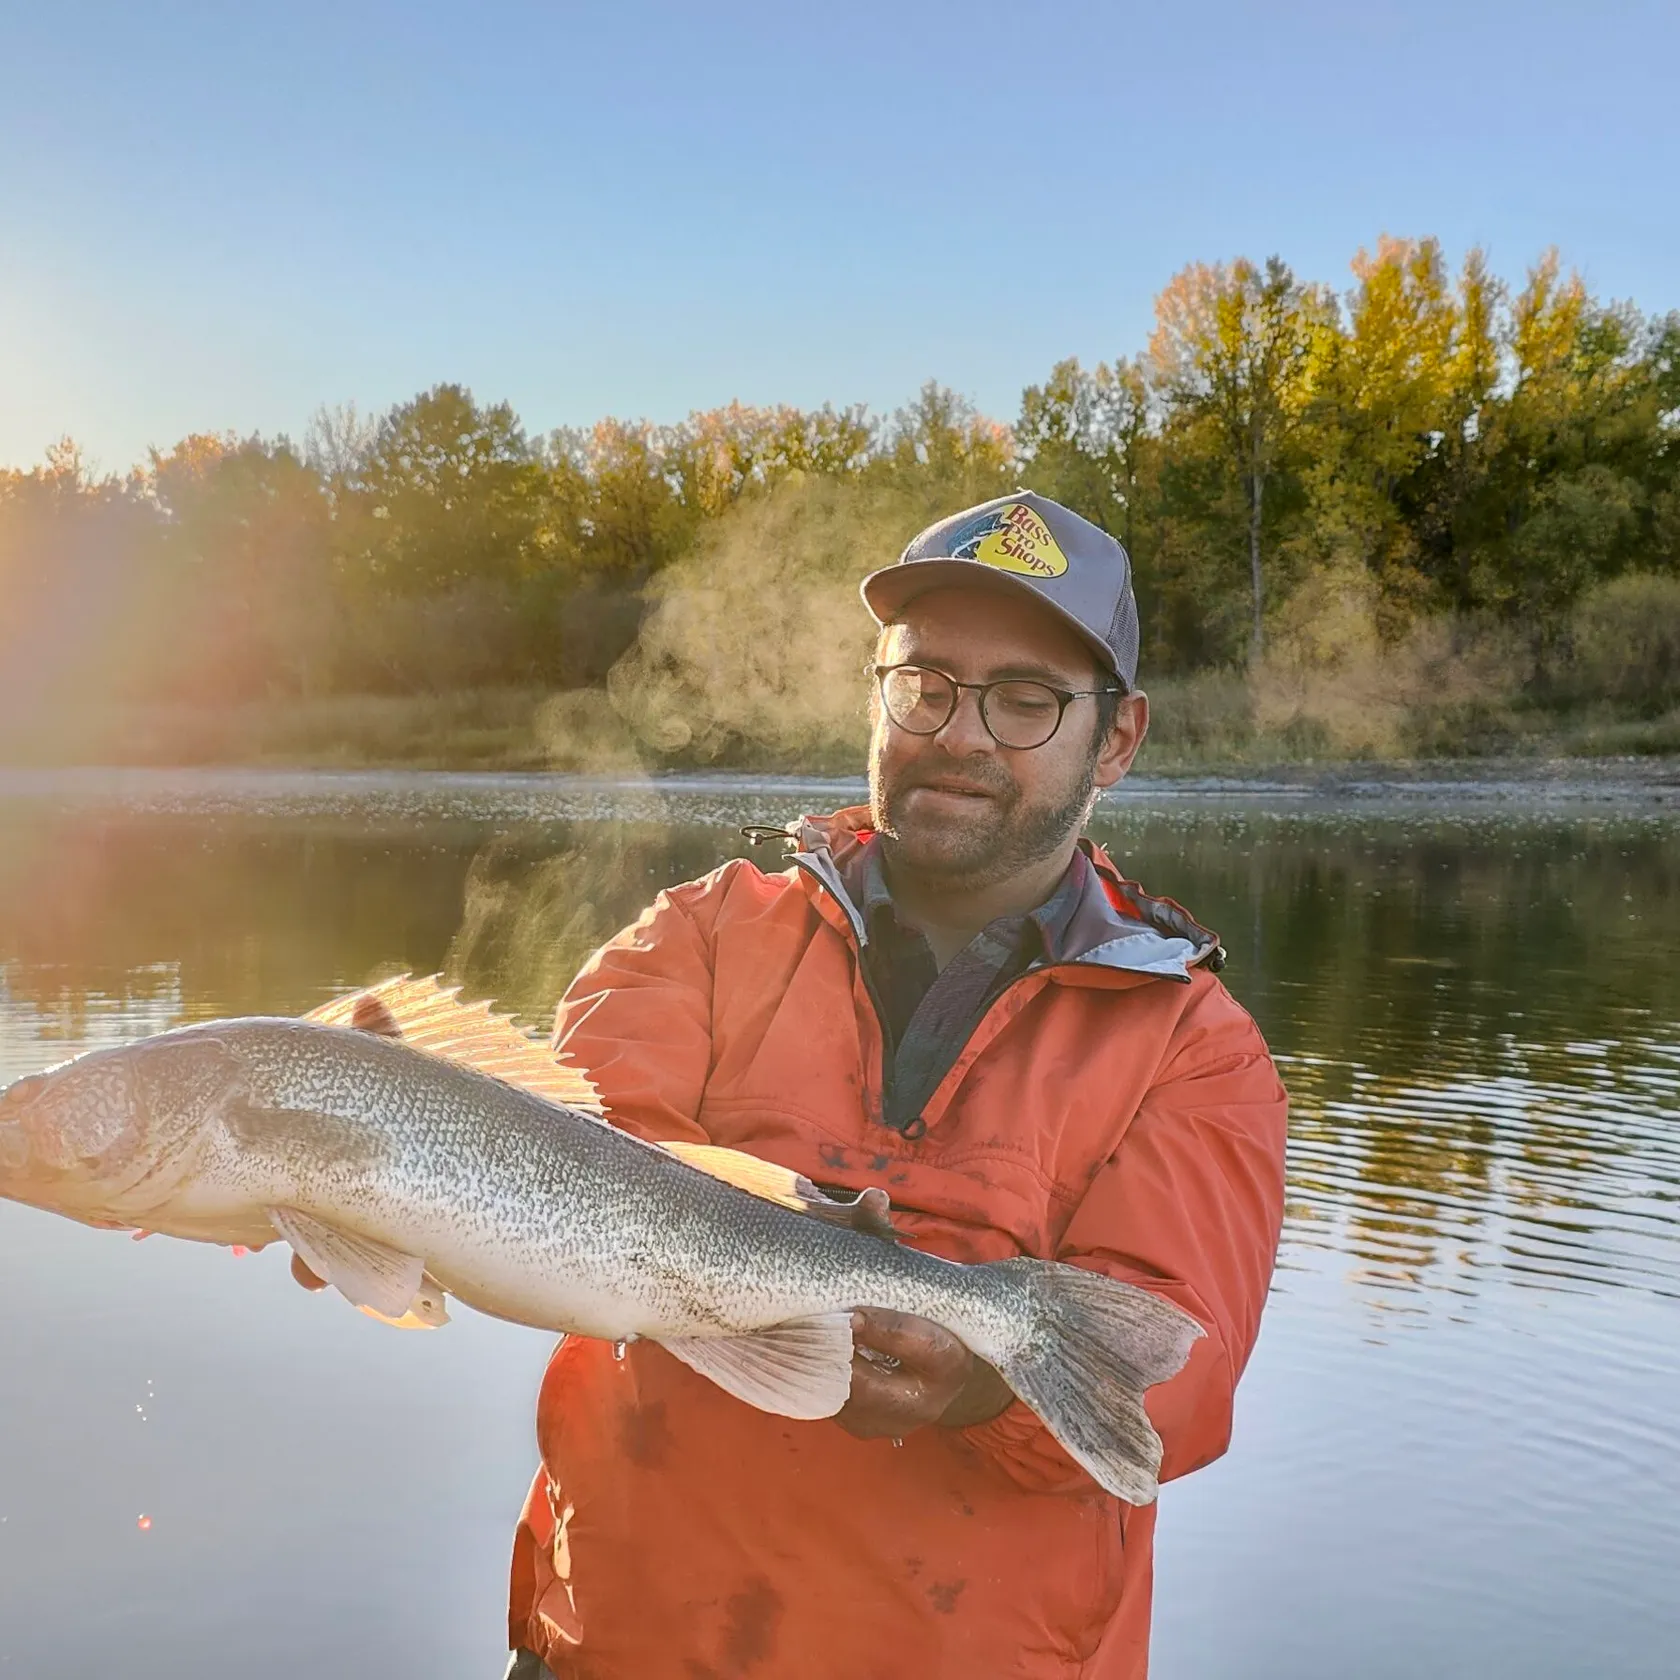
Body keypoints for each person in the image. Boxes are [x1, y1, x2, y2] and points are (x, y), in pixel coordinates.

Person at [503, 491, 1289, 1679]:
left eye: (1025, 700)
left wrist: (980, 1381)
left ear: (1117, 739)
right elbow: (567, 1165)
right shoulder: (703, 935)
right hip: (612, 1648)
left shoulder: (1195, 1046)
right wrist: (390, 1132)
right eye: (923, 684)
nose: (958, 735)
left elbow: (1175, 1376)